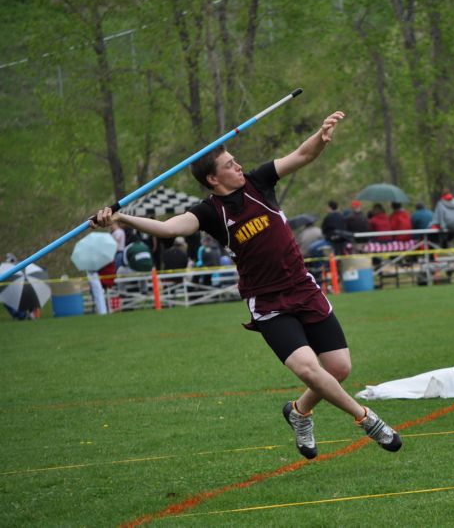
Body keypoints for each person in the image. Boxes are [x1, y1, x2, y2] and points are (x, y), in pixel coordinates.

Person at [91, 111, 401, 458]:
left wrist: (321, 134)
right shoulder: (209, 212)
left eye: (236, 161)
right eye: (229, 164)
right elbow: (169, 229)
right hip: (268, 302)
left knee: (339, 368)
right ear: (212, 178)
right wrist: (119, 217)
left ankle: (298, 413)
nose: (238, 167)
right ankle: (367, 419)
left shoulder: (259, 182)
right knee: (308, 368)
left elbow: (303, 155)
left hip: (303, 288)